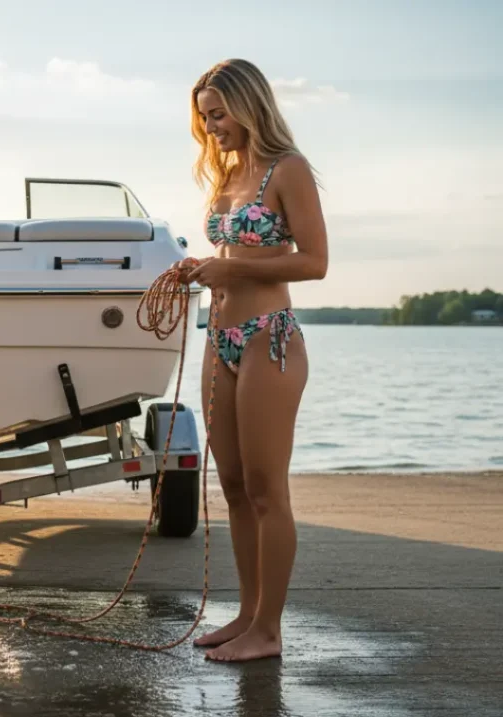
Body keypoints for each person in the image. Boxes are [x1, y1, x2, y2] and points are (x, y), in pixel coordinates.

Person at [176, 59, 329, 662]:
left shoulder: (287, 169)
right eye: (204, 117)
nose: (211, 127)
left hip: (270, 338)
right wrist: (200, 269)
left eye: (218, 113)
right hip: (220, 339)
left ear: (248, 105)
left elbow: (314, 262)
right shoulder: (228, 175)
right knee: (234, 485)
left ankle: (269, 630)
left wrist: (231, 267)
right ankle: (245, 616)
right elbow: (230, 252)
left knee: (268, 489)